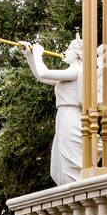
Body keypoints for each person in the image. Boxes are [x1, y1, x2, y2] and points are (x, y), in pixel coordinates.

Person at [22, 36, 83, 186]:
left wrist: (38, 53)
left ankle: (74, 191)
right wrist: (30, 56)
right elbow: (41, 77)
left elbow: (44, 73)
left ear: (77, 54)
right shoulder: (69, 73)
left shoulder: (75, 71)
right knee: (61, 164)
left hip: (70, 118)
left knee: (70, 164)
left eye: (69, 49)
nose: (65, 52)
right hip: (63, 117)